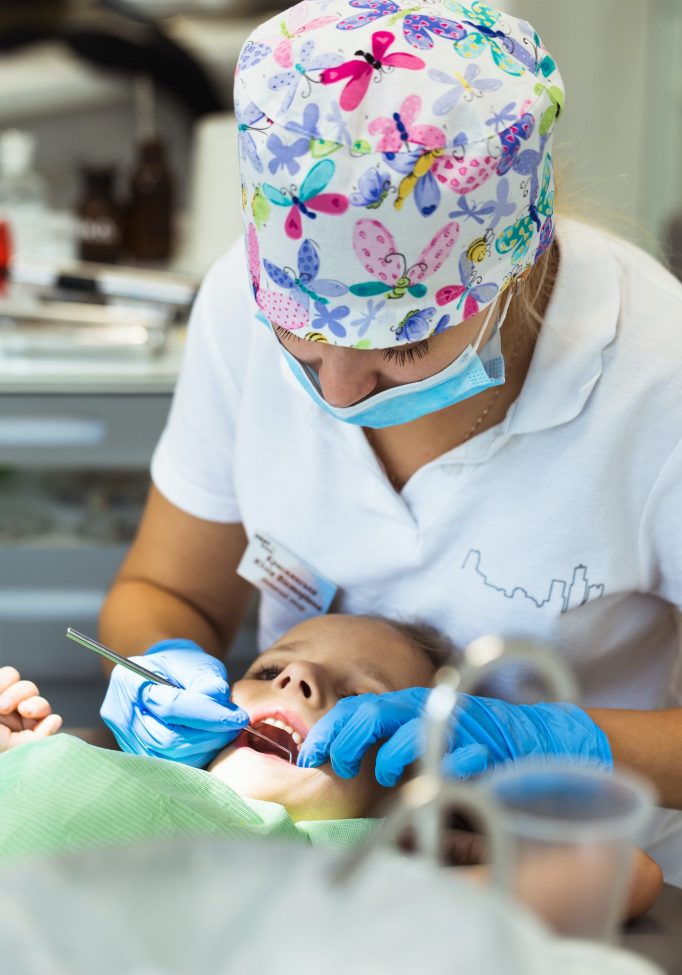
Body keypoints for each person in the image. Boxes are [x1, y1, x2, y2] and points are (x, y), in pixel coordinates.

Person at [98, 0, 682, 883]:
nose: (335, 392)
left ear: (511, 268)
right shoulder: (236, 302)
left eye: (402, 344)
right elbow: (167, 588)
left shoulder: (661, 382)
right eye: (300, 334)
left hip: (584, 887)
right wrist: (158, 667)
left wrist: (556, 742)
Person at [0, 612, 663, 923]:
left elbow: (623, 876)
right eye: (266, 669)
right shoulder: (85, 754)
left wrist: (456, 838)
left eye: (356, 699)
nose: (296, 677)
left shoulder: (345, 867)